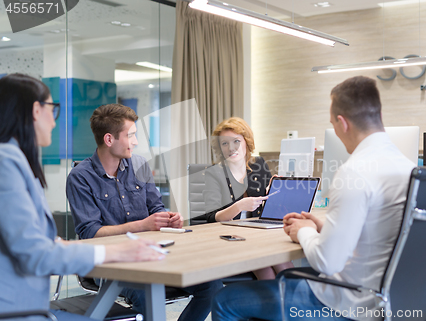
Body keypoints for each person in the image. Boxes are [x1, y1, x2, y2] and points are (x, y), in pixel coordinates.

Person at [211, 76, 415, 321]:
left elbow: (326, 262)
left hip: (347, 302)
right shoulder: (409, 167)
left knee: (224, 300)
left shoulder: (354, 172)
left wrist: (303, 230)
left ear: (342, 123)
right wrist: (323, 226)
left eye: (333, 124)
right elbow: (379, 230)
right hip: (393, 298)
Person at [0, 73, 165, 320]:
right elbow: (35, 252)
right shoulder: (6, 163)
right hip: (20, 311)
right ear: (36, 110)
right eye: (52, 109)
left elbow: (38, 242)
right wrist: (117, 253)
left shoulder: (18, 162)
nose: (54, 122)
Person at [66, 103, 222, 321]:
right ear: (109, 139)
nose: (136, 142)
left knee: (212, 285)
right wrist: (144, 225)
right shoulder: (80, 177)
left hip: (153, 254)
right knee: (147, 294)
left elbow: (156, 208)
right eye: (130, 135)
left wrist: (167, 219)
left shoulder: (139, 165)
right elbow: (89, 233)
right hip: (111, 264)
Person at [204, 117, 293, 280]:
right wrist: (239, 206)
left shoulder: (258, 164)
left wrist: (272, 193)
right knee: (265, 265)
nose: (231, 148)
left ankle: (295, 303)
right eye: (224, 143)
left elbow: (269, 208)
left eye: (236, 141)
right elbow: (211, 217)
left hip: (258, 234)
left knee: (284, 263)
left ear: (247, 142)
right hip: (230, 239)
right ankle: (278, 304)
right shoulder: (213, 174)